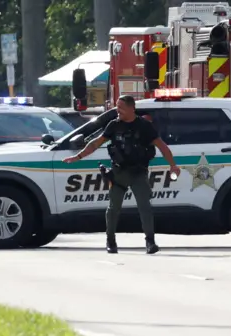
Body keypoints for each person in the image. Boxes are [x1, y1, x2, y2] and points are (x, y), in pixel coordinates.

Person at [63, 95, 180, 254]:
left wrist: (173, 165)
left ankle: (150, 242)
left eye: (121, 108)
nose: (118, 111)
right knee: (113, 208)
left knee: (145, 206)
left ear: (132, 109)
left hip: (139, 172)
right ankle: (110, 241)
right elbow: (96, 143)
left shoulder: (144, 126)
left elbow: (162, 146)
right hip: (119, 173)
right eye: (117, 107)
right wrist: (78, 157)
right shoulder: (114, 125)